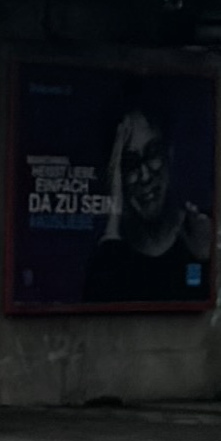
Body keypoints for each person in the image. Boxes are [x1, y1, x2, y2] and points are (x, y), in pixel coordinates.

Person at [80, 99, 207, 306]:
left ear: (169, 152)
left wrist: (206, 258)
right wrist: (113, 218)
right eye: (130, 163)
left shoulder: (201, 234)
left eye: (153, 152)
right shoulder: (109, 258)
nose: (145, 176)